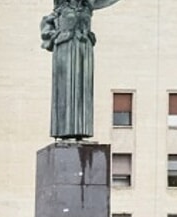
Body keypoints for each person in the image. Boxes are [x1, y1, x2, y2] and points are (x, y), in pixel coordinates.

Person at [40, 0, 122, 140]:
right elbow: (46, 33)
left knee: (83, 90)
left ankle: (81, 132)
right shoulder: (59, 10)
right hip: (65, 48)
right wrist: (57, 34)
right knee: (66, 89)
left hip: (84, 49)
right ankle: (64, 133)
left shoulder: (86, 8)